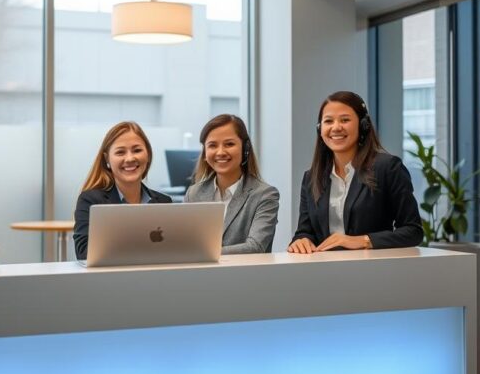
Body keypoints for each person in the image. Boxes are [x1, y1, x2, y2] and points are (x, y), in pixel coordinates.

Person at [288, 91, 423, 254]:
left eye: (345, 120)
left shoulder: (388, 167)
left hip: (372, 269)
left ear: (363, 125)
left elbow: (413, 231)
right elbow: (305, 231)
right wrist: (301, 240)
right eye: (328, 121)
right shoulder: (311, 178)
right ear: (320, 129)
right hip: (324, 270)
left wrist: (363, 241)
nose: (336, 127)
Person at [73, 121, 172, 260]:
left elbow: (172, 252)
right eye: (120, 152)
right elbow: (84, 253)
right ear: (107, 159)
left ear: (148, 154)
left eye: (137, 150)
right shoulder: (91, 200)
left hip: (155, 278)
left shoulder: (164, 202)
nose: (130, 158)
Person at [185, 114, 279, 254]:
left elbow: (255, 247)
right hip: (202, 275)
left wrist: (201, 252)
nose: (220, 152)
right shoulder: (193, 193)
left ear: (245, 149)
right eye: (212, 145)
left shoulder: (265, 195)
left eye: (229, 144)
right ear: (205, 152)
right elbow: (185, 243)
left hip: (245, 275)